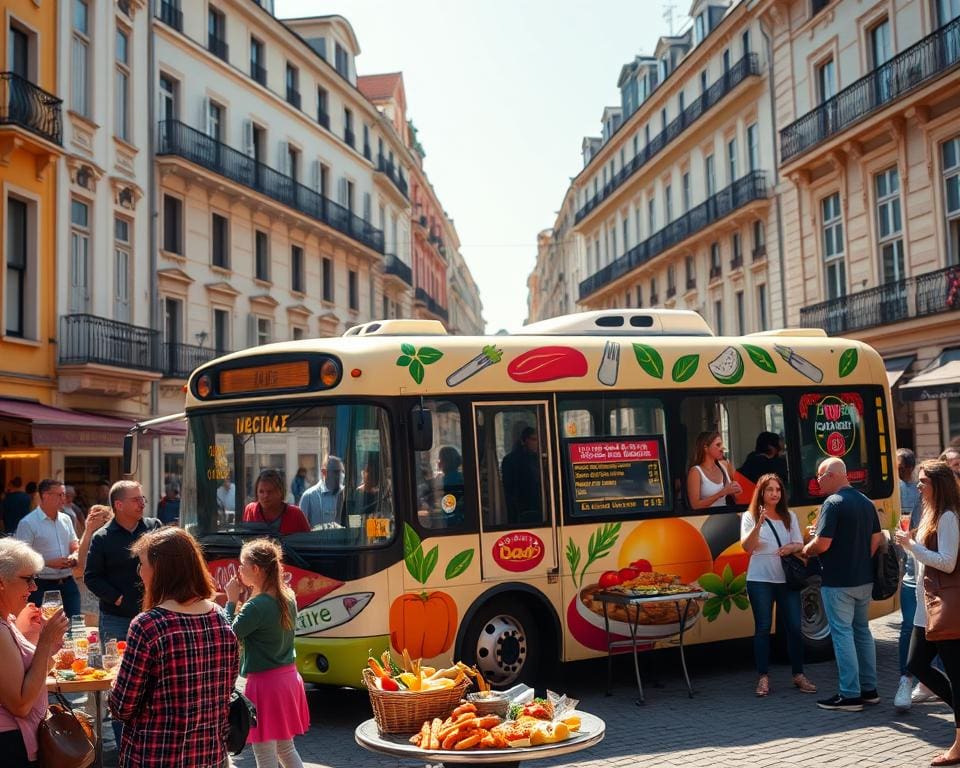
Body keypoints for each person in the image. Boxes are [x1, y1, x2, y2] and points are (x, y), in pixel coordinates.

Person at [110, 527, 238, 768]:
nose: (140, 572)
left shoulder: (148, 625)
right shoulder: (221, 618)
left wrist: (116, 677)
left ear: (161, 571)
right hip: (209, 756)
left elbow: (121, 707)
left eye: (142, 564)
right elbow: (227, 690)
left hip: (157, 756)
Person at [802, 457, 884, 711]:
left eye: (820, 476)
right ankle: (869, 690)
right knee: (862, 632)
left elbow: (823, 544)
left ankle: (849, 695)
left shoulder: (833, 503)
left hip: (838, 581)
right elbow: (877, 539)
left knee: (842, 635)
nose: (817, 481)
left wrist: (806, 548)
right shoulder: (865, 502)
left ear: (833, 475)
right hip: (863, 579)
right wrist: (859, 559)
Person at [897, 459, 960, 766]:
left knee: (956, 675)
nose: (918, 486)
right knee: (916, 665)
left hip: (945, 606)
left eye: (923, 482)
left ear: (939, 485)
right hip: (928, 606)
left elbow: (947, 562)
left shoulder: (948, 515)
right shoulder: (931, 512)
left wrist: (911, 545)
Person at [225, 539, 309, 768]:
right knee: (285, 747)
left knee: (264, 753)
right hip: (288, 679)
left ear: (255, 569)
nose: (239, 570)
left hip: (266, 685)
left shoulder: (257, 605)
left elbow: (228, 636)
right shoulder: (287, 596)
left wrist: (231, 602)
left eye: (242, 565)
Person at [740, 473, 816, 697]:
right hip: (759, 579)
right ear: (761, 493)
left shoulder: (789, 516)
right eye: (770, 490)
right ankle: (763, 678)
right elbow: (747, 547)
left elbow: (799, 544)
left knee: (794, 627)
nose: (774, 494)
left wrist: (791, 548)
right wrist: (759, 524)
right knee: (763, 628)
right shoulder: (749, 516)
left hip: (786, 579)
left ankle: (798, 675)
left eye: (778, 490)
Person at [0, 538, 70, 767]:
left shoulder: (8, 620)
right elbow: (20, 706)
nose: (34, 587)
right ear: (1, 582)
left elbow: (35, 675)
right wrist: (45, 642)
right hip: (10, 745)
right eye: (28, 579)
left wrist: (48, 645)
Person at [84, 481, 163, 643]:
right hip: (117, 619)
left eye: (142, 498)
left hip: (155, 613)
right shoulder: (102, 537)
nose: (142, 504)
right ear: (118, 505)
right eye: (135, 500)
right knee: (114, 666)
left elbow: (168, 564)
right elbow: (91, 578)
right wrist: (118, 599)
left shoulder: (154, 527)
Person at [14, 479, 81, 618]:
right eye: (60, 495)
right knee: (43, 629)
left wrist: (74, 556)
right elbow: (20, 558)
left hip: (68, 583)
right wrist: (49, 563)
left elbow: (74, 545)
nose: (64, 499)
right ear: (45, 495)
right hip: (41, 585)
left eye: (64, 495)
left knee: (75, 626)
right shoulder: (28, 523)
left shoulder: (66, 519)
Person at [894, 448, 924, 711]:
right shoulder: (909, 497)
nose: (919, 486)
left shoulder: (946, 511)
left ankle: (926, 681)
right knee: (908, 628)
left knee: (936, 632)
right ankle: (906, 678)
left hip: (933, 578)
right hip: (912, 576)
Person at [686, 431, 741, 510]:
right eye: (718, 445)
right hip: (705, 519)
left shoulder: (725, 465)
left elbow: (737, 498)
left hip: (726, 517)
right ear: (705, 448)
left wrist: (737, 491)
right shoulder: (695, 472)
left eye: (722, 445)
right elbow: (695, 505)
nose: (722, 448)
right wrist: (722, 493)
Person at [243, 469, 310, 534]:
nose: (265, 495)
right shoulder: (250, 510)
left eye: (270, 491)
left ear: (280, 492)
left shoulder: (296, 514)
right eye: (261, 492)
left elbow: (307, 543)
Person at [501, 427, 541, 524]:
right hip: (522, 508)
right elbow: (509, 489)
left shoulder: (538, 458)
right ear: (524, 441)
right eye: (533, 439)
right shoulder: (511, 460)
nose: (537, 443)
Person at [300, 456, 345, 527]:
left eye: (342, 472)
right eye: (336, 472)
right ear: (324, 472)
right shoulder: (309, 496)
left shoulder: (347, 495)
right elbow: (301, 528)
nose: (340, 475)